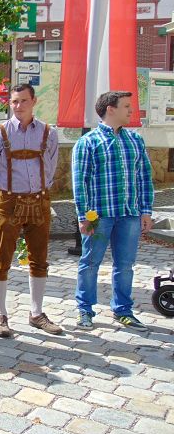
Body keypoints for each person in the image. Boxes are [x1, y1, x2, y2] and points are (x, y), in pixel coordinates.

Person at [0, 83, 62, 338]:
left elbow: (50, 168)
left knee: (39, 257)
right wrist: (7, 197)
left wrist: (38, 192)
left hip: (39, 199)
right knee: (1, 259)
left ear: (34, 101)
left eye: (23, 101)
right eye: (14, 102)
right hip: (8, 200)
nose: (18, 106)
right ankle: (0, 314)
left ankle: (36, 313)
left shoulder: (49, 133)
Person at [72, 90, 154, 330]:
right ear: (110, 109)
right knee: (90, 263)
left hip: (129, 215)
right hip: (99, 217)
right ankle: (84, 310)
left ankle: (123, 310)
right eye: (126, 106)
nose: (131, 110)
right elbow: (80, 182)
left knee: (125, 265)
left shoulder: (135, 140)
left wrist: (146, 211)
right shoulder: (88, 142)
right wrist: (83, 216)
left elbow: (144, 178)